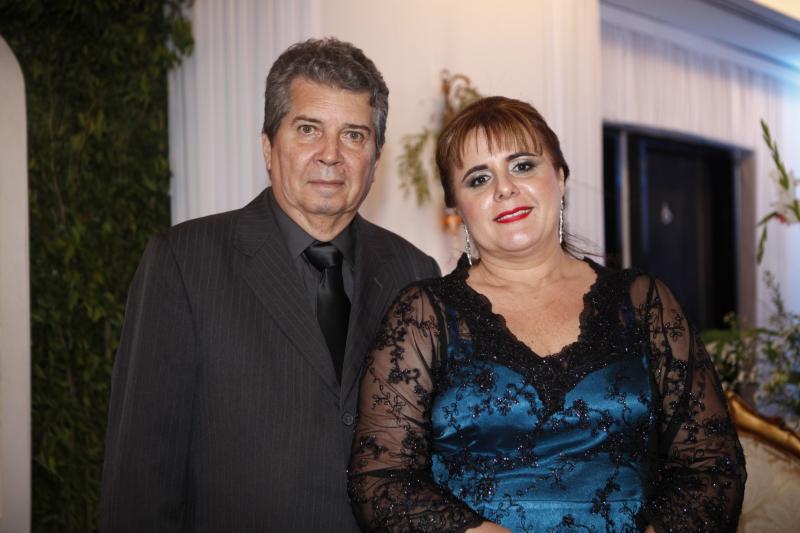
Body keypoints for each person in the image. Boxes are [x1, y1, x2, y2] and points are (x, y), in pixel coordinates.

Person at [348, 96, 746, 532]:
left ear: (560, 176)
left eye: (522, 166)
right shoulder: (423, 316)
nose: (504, 189)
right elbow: (381, 480)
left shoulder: (646, 303)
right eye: (479, 178)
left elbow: (712, 464)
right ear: (457, 206)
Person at [101, 37, 440, 532]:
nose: (331, 155)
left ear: (376, 156)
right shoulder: (184, 262)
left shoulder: (415, 273)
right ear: (268, 145)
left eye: (353, 135)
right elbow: (141, 472)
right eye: (308, 129)